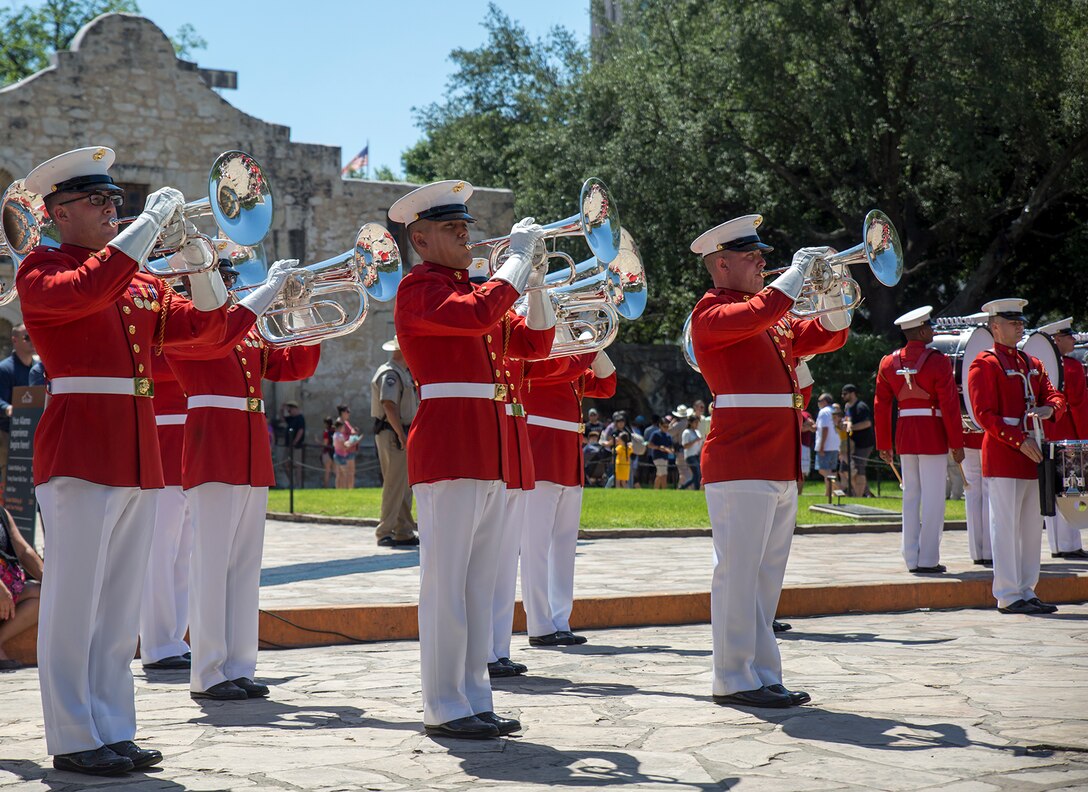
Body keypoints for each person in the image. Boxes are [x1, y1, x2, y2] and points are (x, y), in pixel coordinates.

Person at [16, 146, 237, 775]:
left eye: (117, 201)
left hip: (137, 448)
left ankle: (111, 725)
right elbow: (91, 287)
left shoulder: (135, 277)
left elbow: (211, 333)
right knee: (74, 600)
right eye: (100, 201)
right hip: (80, 445)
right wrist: (146, 228)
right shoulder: (41, 270)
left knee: (118, 606)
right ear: (58, 212)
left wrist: (201, 268)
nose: (114, 210)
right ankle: (71, 734)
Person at [392, 179, 554, 739]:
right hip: (449, 443)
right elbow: (475, 316)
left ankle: (473, 697)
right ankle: (444, 703)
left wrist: (535, 284)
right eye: (452, 229)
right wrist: (514, 264)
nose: (466, 236)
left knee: (480, 585)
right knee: (447, 583)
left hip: (485, 446)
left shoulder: (469, 290)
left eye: (466, 227)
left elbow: (535, 345)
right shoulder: (420, 290)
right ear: (421, 238)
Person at [688, 213, 849, 709]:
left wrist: (834, 291)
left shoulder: (769, 316)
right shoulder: (711, 313)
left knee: (765, 575)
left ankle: (761, 672)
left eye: (761, 255)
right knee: (738, 573)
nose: (762, 260)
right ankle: (733, 676)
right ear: (721, 263)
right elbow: (760, 312)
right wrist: (796, 273)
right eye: (750, 255)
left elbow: (830, 334)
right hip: (740, 457)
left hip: (776, 459)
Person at [167, 254, 320, 702]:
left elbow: (295, 368)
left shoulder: (245, 327)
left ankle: (238, 665)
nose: (230, 285)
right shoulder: (185, 322)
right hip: (213, 445)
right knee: (211, 565)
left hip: (250, 448)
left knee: (243, 567)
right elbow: (215, 340)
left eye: (231, 279)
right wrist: (269, 289)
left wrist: (301, 309)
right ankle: (209, 671)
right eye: (222, 278)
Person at [967, 298, 1065, 615]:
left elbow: (1054, 393)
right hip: (1004, 451)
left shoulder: (1030, 363)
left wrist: (1051, 407)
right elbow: (984, 415)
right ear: (995, 327)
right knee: (1005, 526)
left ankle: (1027, 589)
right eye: (1013, 323)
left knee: (1030, 528)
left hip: (1031, 450)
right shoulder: (984, 363)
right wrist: (1017, 440)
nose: (1019, 327)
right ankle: (1008, 594)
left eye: (1021, 322)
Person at [522, 352, 616, 647]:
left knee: (564, 547)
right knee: (535, 546)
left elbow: (607, 385)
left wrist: (598, 342)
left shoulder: (572, 362)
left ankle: (560, 620)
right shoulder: (539, 359)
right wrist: (586, 345)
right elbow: (559, 370)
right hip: (542, 454)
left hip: (568, 460)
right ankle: (539, 624)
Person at [874, 306, 965, 574]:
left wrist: (884, 445)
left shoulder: (888, 362)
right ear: (922, 331)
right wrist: (956, 443)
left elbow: (881, 405)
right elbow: (949, 405)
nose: (933, 332)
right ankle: (928, 558)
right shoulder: (938, 361)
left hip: (905, 434)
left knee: (910, 496)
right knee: (935, 497)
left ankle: (910, 557)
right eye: (930, 328)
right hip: (932, 433)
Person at [139, 353, 193, 672]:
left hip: (195, 444)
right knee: (159, 555)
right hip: (162, 442)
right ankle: (157, 643)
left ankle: (175, 638)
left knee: (184, 558)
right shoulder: (157, 320)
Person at [1039, 318, 1088, 559]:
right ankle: (1070, 544)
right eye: (1068, 336)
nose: (1073, 340)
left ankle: (1057, 545)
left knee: (1052, 490)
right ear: (1056, 339)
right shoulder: (1072, 367)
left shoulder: (1040, 367)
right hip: (1070, 434)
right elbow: (1079, 406)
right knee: (1071, 489)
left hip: (1047, 435)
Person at [371, 336, 419, 547]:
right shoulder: (390, 373)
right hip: (393, 433)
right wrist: (401, 434)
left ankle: (403, 530)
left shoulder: (401, 373)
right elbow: (389, 405)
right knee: (394, 484)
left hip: (400, 432)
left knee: (403, 484)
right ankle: (385, 531)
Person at [0, 506, 43, 670]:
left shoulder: (3, 514)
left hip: (9, 591)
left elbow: (24, 551)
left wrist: (48, 581)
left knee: (43, 595)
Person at [0, 323, 35, 488]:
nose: (32, 340)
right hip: (9, 434)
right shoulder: (5, 369)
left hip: (33, 434)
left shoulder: (38, 369)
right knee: (10, 481)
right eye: (27, 337)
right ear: (15, 340)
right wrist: (8, 408)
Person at [841, 384, 874, 496]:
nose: (842, 396)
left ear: (852, 393)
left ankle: (861, 495)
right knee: (849, 469)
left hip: (864, 443)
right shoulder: (847, 407)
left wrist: (851, 428)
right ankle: (866, 493)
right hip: (853, 444)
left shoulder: (861, 407)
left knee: (859, 469)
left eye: (845, 393)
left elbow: (867, 423)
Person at [814, 393, 840, 498]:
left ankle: (840, 487)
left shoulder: (823, 412)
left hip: (826, 445)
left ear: (825, 401)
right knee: (830, 471)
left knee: (823, 470)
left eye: (819, 401)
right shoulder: (834, 411)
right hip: (835, 445)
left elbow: (825, 429)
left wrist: (821, 446)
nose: (818, 403)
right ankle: (829, 493)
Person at [645, 415, 674, 489]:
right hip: (657, 456)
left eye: (667, 427)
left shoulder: (668, 436)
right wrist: (658, 447)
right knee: (664, 474)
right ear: (660, 425)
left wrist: (671, 450)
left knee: (659, 474)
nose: (666, 428)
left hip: (665, 457)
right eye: (664, 426)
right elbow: (649, 445)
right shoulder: (655, 434)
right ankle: (664, 490)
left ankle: (656, 490)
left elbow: (671, 447)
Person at [282, 401, 306, 488]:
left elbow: (300, 431)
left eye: (290, 410)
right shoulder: (291, 419)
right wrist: (283, 409)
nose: (290, 412)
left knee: (297, 465)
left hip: (296, 446)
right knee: (285, 464)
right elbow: (283, 419)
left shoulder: (300, 418)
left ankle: (298, 484)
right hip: (289, 445)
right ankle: (292, 482)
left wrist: (295, 442)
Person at [335, 404, 358, 489]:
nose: (349, 414)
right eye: (347, 412)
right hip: (345, 450)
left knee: (344, 473)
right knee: (347, 473)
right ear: (342, 412)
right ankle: (347, 490)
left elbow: (352, 432)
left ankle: (345, 490)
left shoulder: (345, 422)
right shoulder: (341, 423)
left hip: (345, 450)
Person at [680, 413, 703, 490]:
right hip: (690, 456)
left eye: (697, 422)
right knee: (697, 473)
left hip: (696, 455)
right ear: (690, 423)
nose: (697, 424)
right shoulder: (686, 432)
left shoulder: (697, 432)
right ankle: (696, 489)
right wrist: (695, 440)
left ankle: (683, 487)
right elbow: (685, 446)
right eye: (695, 422)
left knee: (697, 475)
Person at [320, 417, 335, 488]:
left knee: (327, 471)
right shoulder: (334, 431)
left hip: (327, 452)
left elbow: (325, 444)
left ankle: (325, 486)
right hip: (334, 452)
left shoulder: (326, 432)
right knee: (335, 471)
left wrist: (317, 442)